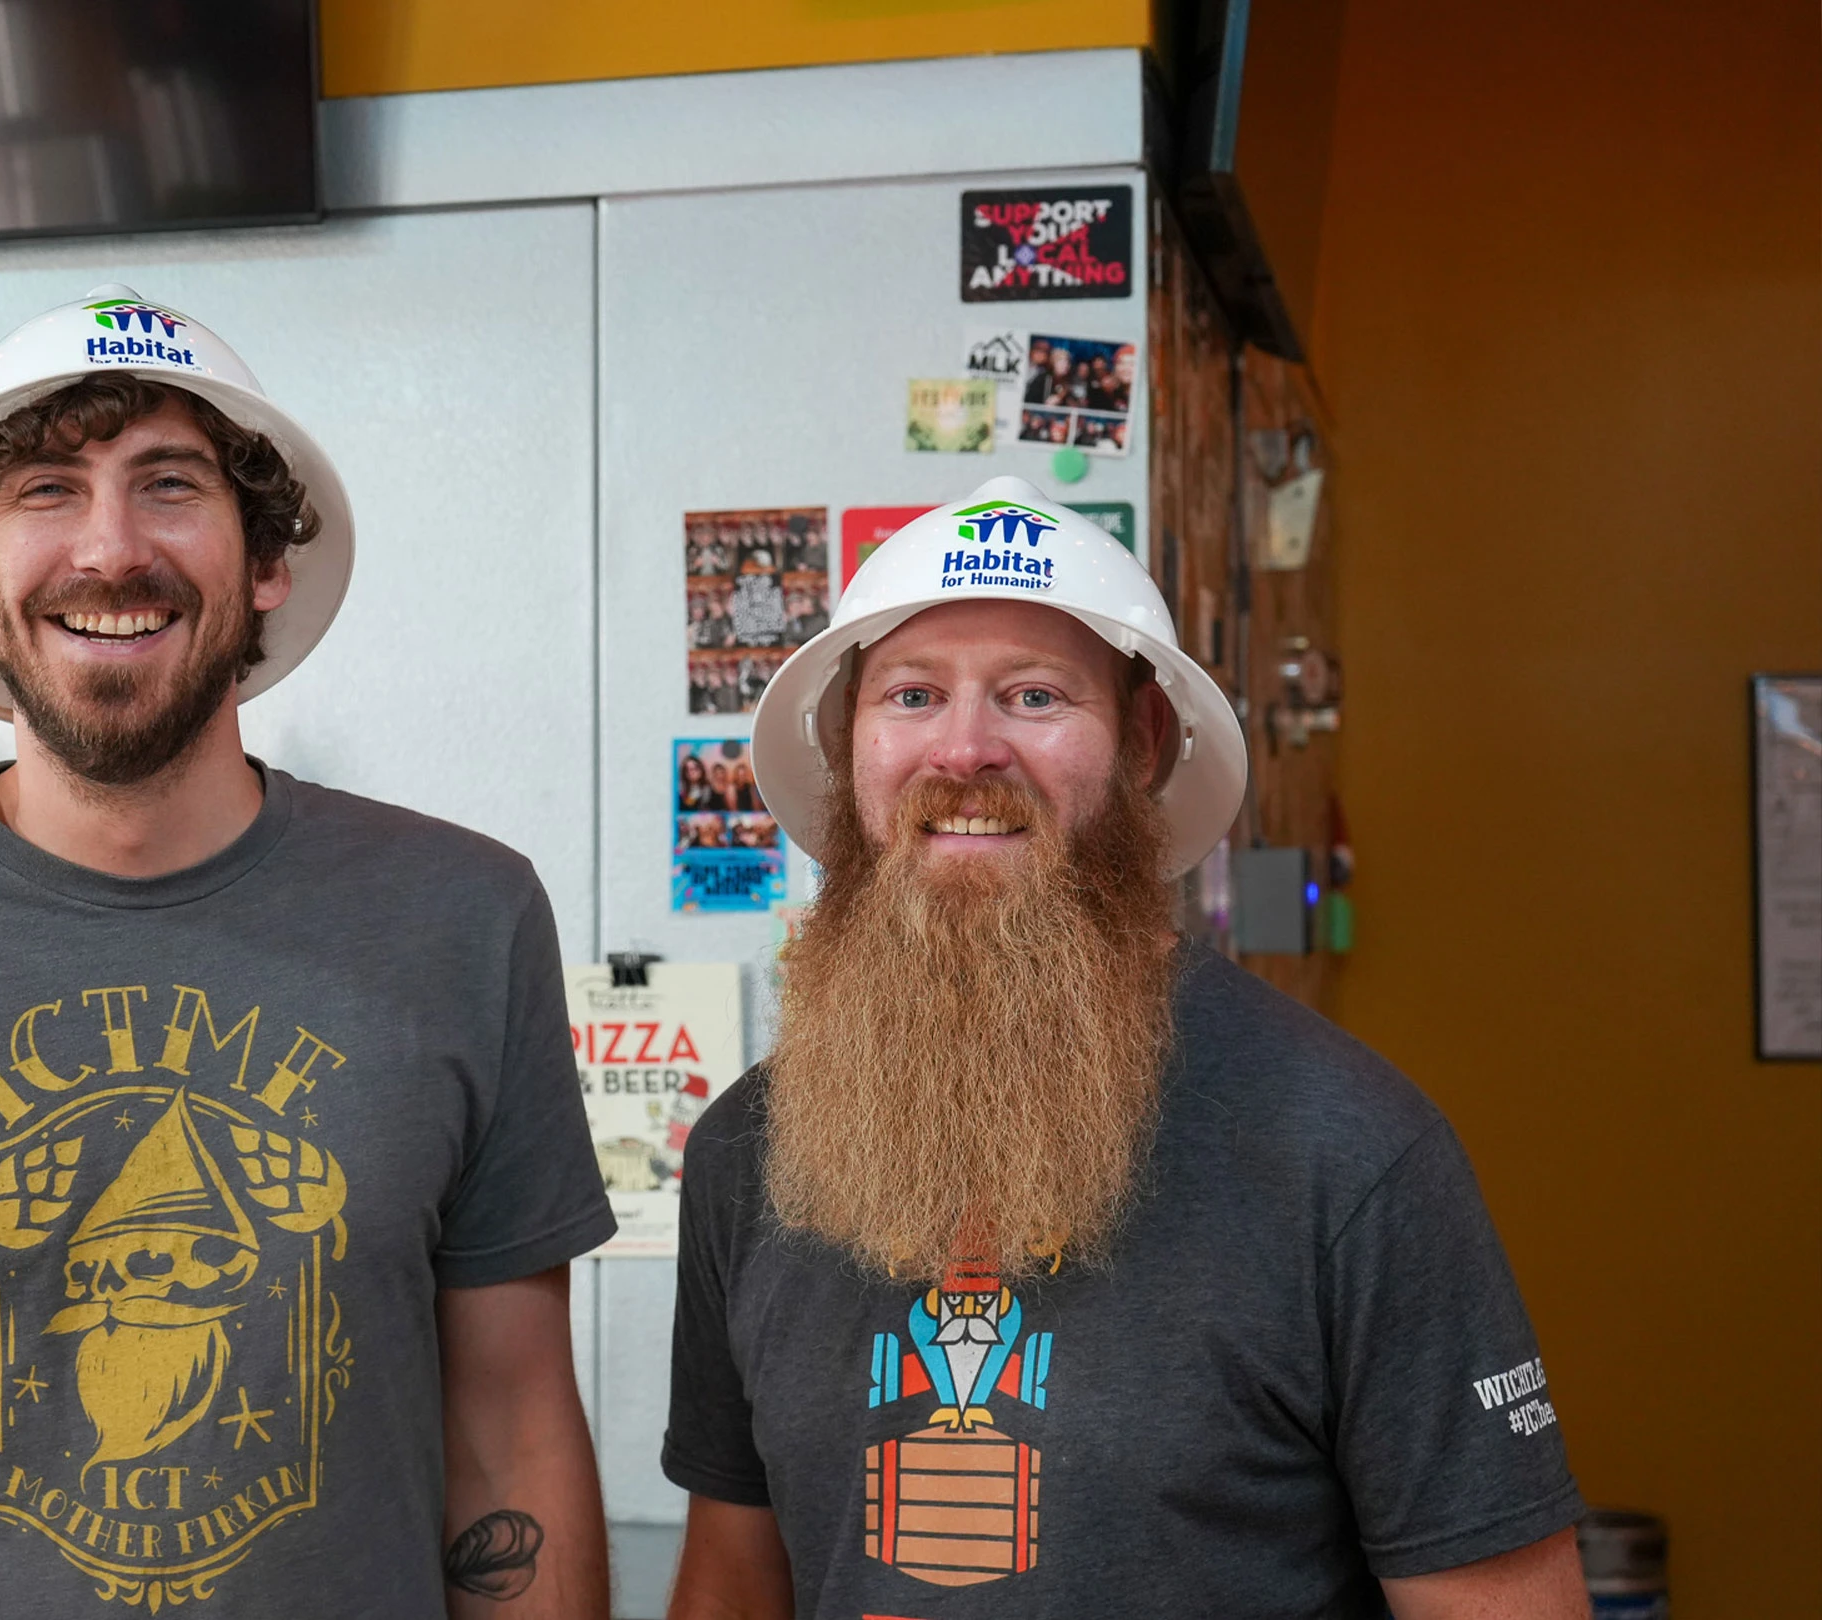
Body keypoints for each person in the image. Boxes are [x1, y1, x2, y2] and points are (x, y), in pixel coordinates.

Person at [0, 287, 614, 1620]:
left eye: (170, 485)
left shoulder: (465, 915)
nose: (110, 547)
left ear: (265, 567)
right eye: (47, 490)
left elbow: (512, 1426)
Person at [661, 477, 1587, 1619]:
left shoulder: (1349, 1155)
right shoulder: (745, 1152)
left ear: (1144, 742)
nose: (966, 748)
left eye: (1034, 695)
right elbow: (731, 1582)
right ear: (849, 745)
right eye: (911, 695)